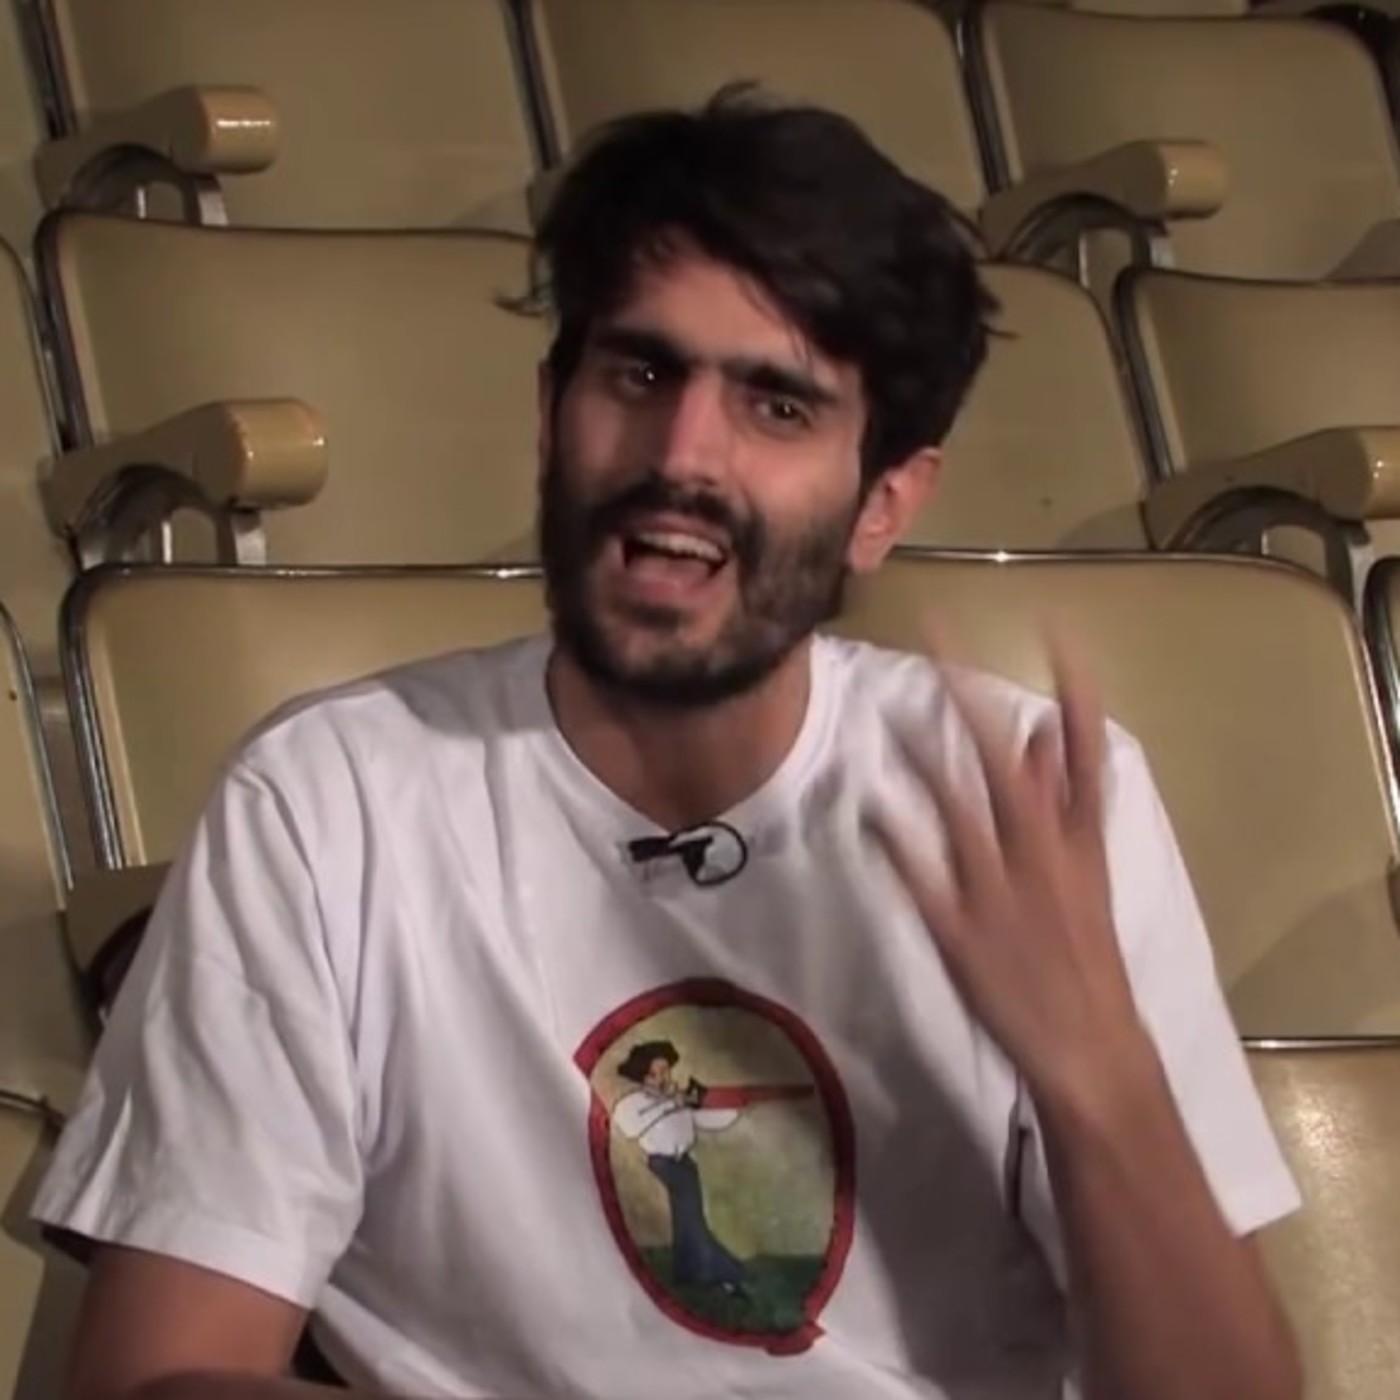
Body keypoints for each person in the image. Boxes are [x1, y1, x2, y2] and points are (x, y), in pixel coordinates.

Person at [33, 88, 1303, 1400]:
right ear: (551, 412)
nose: (682, 455)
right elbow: (157, 1379)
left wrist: (1100, 1081)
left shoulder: (1028, 807)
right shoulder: (330, 802)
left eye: (778, 407)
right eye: (640, 375)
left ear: (884, 503)